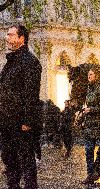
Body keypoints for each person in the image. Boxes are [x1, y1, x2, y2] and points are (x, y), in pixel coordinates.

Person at [0, 24, 42, 189]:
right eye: (7, 35)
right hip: (7, 121)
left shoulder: (30, 61)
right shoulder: (11, 61)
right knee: (9, 160)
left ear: (21, 38)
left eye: (10, 35)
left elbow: (31, 94)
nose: (7, 38)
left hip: (21, 122)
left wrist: (27, 121)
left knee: (26, 161)